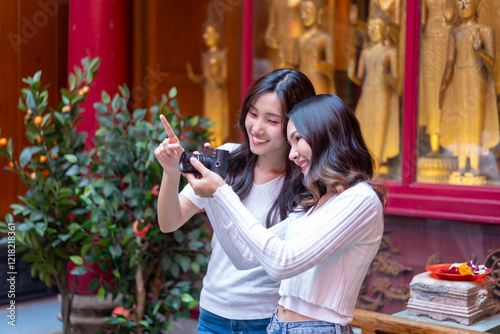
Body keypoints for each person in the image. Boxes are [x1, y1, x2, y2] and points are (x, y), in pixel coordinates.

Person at [184, 93, 386, 334]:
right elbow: (245, 257)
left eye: (298, 139)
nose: (291, 154)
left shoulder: (360, 199)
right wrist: (214, 193)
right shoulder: (318, 199)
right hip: (279, 326)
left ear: (326, 135)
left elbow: (282, 262)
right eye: (290, 142)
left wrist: (222, 192)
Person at [155, 68, 316, 334]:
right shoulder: (228, 160)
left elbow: (248, 257)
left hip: (268, 320)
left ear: (295, 126)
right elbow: (169, 222)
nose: (257, 127)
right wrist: (171, 172)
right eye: (253, 114)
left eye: (272, 121)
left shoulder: (306, 184)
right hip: (212, 315)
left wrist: (218, 193)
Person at [439, 0, 499, 178]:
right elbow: (449, 63)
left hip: (477, 80)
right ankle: (461, 163)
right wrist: (443, 86)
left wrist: (480, 50)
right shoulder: (454, 33)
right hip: (458, 78)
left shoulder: (486, 31)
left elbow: (493, 64)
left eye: (467, 2)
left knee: (474, 121)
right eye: (459, 3)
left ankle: (474, 165)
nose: (462, 6)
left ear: (478, 6)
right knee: (460, 120)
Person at [348, 9, 399, 175]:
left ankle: (380, 159)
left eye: (377, 27)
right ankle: (366, 159)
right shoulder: (366, 52)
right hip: (367, 92)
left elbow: (397, 80)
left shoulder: (390, 52)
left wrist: (387, 77)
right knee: (364, 125)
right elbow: (359, 78)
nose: (373, 31)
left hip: (382, 93)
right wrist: (350, 72)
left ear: (385, 29)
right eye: (370, 27)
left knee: (380, 126)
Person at [186, 10, 229, 146]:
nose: (206, 36)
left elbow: (223, 77)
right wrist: (194, 77)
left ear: (217, 35)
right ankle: (210, 145)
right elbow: (204, 79)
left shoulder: (221, 55)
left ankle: (218, 145)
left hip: (217, 93)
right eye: (205, 33)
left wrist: (212, 77)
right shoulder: (205, 56)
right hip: (208, 93)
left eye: (209, 33)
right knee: (208, 121)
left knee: (217, 121)